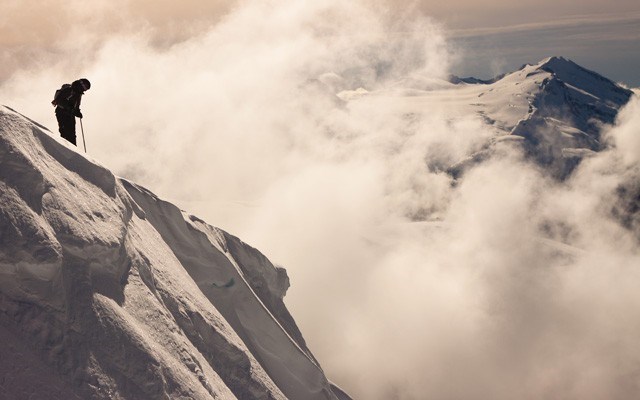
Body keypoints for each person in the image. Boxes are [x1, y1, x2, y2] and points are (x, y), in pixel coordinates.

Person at [51, 78, 91, 145]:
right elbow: (59, 100)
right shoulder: (70, 90)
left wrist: (77, 112)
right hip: (61, 112)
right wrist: (70, 108)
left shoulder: (78, 93)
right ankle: (65, 147)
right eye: (85, 88)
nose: (85, 90)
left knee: (71, 133)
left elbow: (76, 105)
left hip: (70, 114)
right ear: (82, 85)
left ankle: (72, 148)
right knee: (65, 132)